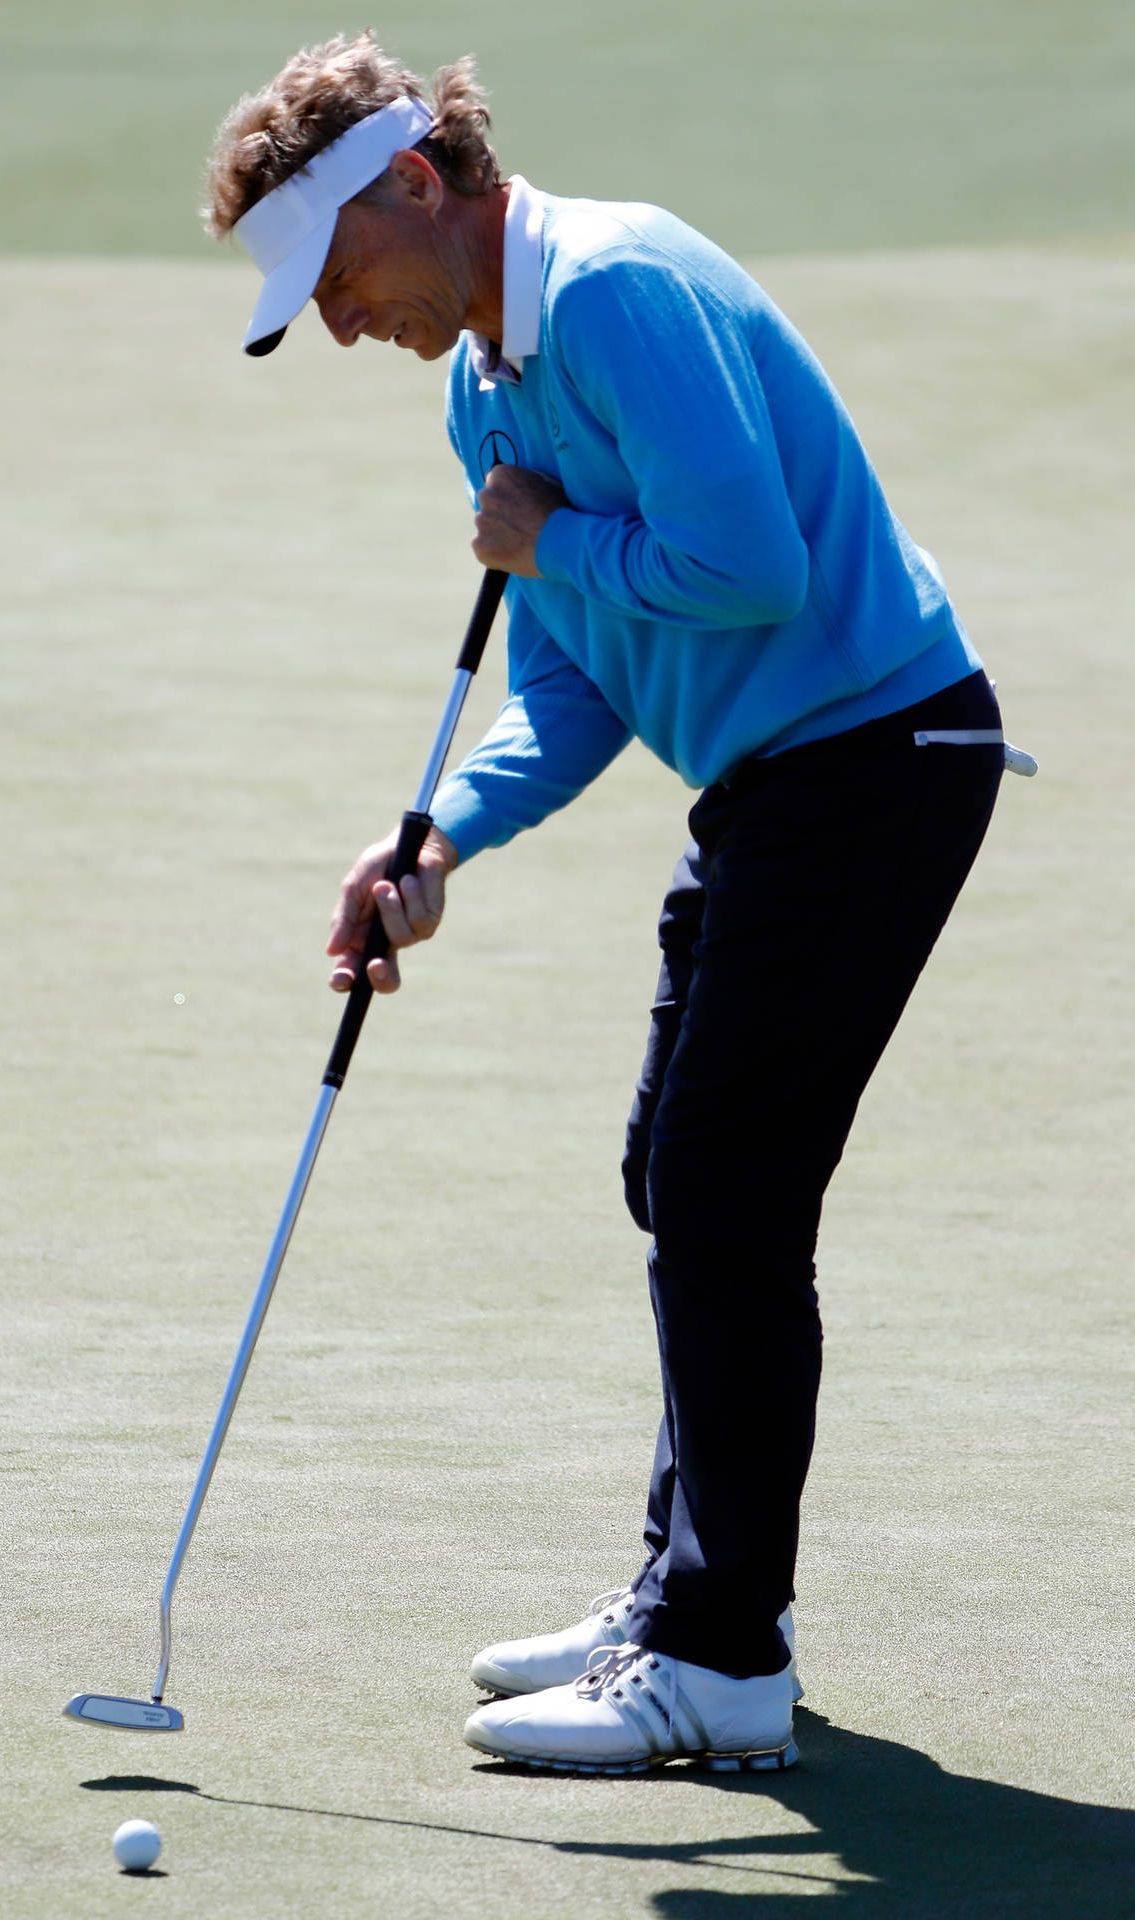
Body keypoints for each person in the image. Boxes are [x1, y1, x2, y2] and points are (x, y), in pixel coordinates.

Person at [204, 33, 1019, 1775]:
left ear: (414, 188)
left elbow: (747, 570)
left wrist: (542, 544)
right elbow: (580, 676)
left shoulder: (618, 290)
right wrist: (440, 843)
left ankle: (725, 1659)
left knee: (726, 1186)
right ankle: (687, 1588)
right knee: (680, 1175)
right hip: (774, 779)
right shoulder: (481, 389)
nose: (338, 322)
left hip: (878, 757)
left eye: (336, 276)